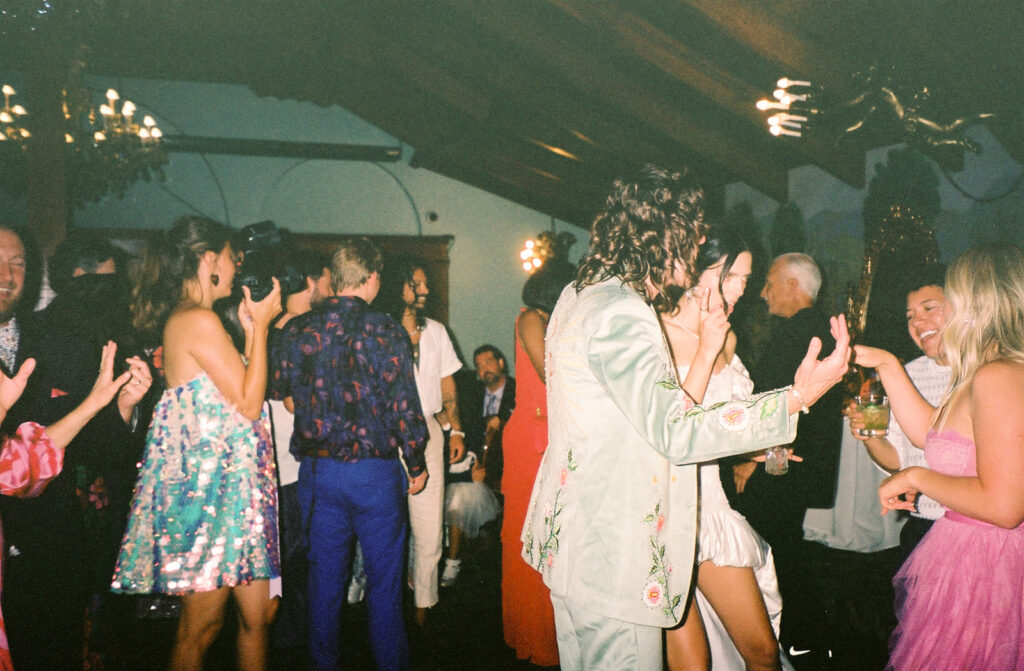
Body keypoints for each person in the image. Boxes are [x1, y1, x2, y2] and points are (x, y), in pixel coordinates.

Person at [520, 164, 851, 670]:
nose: (698, 244)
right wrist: (796, 397)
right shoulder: (622, 311)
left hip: (579, 545)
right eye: (692, 229)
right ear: (664, 234)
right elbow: (676, 430)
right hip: (616, 551)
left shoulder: (579, 293)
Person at [112, 216, 282, 671]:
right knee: (199, 628)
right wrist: (263, 325)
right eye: (231, 257)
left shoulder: (199, 320)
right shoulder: (196, 319)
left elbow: (239, 394)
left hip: (239, 494)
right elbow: (249, 403)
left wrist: (251, 330)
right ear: (209, 259)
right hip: (212, 502)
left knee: (259, 615)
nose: (235, 265)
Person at [856, 244, 1024, 671]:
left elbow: (1004, 507)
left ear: (975, 302)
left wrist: (915, 477)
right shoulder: (977, 373)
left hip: (988, 568)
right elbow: (929, 432)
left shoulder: (999, 375)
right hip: (962, 556)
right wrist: (887, 363)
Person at [271, 237, 427, 671]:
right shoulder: (387, 330)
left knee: (324, 583)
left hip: (320, 472)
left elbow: (283, 395)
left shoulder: (299, 329)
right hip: (375, 474)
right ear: (372, 278)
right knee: (384, 583)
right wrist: (415, 463)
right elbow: (404, 405)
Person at [0, 224, 148, 671]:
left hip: (48, 541)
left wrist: (122, 406)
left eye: (18, 263)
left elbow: (98, 444)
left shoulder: (55, 338)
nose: (7, 275)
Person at [661, 227, 789, 671]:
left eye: (745, 279)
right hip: (662, 516)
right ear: (692, 270)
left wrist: (754, 450)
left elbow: (720, 429)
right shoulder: (653, 334)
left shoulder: (729, 338)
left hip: (711, 512)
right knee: (693, 662)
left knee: (761, 651)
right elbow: (667, 432)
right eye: (728, 274)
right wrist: (705, 348)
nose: (738, 289)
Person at [729, 252, 844, 663]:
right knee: (787, 548)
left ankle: (785, 639)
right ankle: (805, 639)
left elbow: (772, 402)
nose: (763, 292)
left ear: (794, 285)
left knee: (769, 550)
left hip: (779, 462)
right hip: (803, 462)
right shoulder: (825, 330)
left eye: (770, 283)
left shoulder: (798, 331)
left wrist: (750, 456)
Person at [379, 256, 464, 626]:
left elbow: (447, 383)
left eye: (427, 282)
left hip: (429, 431)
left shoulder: (438, 332)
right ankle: (383, 606)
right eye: (417, 283)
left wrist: (455, 429)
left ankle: (424, 607)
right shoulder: (379, 331)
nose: (426, 290)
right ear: (399, 287)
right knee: (386, 523)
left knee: (430, 525)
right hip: (385, 435)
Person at [847, 265, 950, 564]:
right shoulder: (908, 374)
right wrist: (870, 436)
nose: (918, 321)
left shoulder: (985, 373)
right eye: (910, 316)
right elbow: (898, 461)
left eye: (929, 308)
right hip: (922, 525)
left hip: (977, 527)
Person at [501, 258, 575, 668]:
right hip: (531, 439)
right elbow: (551, 373)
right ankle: (534, 636)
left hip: (556, 436)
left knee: (555, 538)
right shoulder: (531, 318)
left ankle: (555, 635)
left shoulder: (560, 321)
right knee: (529, 537)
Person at [266, 248, 333, 650]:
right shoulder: (298, 334)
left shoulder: (275, 330)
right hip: (292, 463)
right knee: (299, 556)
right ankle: (298, 642)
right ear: (308, 283)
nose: (329, 287)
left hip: (281, 460)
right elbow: (295, 401)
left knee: (294, 556)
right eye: (325, 280)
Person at [441, 344, 513, 588]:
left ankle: (455, 558)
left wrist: (502, 423)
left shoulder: (517, 390)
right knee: (457, 489)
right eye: (479, 366)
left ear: (501, 363)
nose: (484, 370)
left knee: (461, 495)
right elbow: (469, 432)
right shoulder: (472, 393)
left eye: (489, 362)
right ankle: (454, 554)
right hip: (476, 465)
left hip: (506, 467)